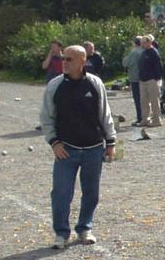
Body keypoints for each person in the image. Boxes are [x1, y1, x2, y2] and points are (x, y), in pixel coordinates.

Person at [40, 45, 116, 249]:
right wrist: (54, 143)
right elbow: (46, 118)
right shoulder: (55, 86)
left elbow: (104, 114)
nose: (64, 62)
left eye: (70, 59)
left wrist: (110, 142)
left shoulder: (95, 84)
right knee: (61, 192)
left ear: (83, 61)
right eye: (64, 58)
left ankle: (84, 228)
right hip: (66, 149)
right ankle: (61, 233)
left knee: (91, 192)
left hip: (93, 148)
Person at [138, 33, 163, 127]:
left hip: (152, 80)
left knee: (154, 101)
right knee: (144, 101)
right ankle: (145, 119)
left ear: (149, 42)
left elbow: (158, 66)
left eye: (143, 43)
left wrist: (157, 79)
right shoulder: (144, 52)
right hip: (143, 80)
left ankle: (157, 120)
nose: (142, 45)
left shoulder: (154, 52)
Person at [122, 36, 144, 124]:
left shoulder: (133, 52)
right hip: (145, 78)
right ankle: (146, 116)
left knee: (138, 99)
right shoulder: (145, 51)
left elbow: (125, 63)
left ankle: (140, 117)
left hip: (135, 78)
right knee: (145, 99)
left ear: (134, 43)